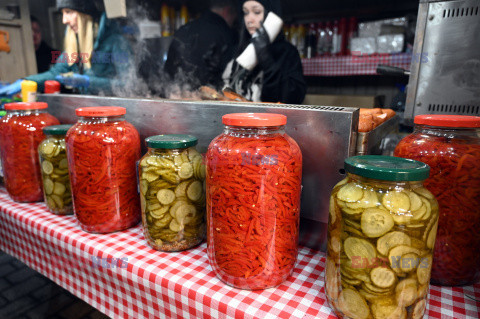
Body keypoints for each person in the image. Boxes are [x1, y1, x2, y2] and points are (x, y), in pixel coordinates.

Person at [0, 0, 131, 96]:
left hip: (114, 112)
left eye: (68, 12)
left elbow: (129, 85)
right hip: (87, 112)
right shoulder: (75, 45)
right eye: (63, 13)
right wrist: (25, 81)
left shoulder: (116, 42)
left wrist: (89, 82)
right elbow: (54, 74)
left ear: (86, 15)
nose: (64, 20)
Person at [223, 0, 306, 104]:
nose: (249, 20)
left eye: (257, 12)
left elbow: (293, 99)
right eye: (246, 13)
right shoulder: (238, 50)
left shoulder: (287, 53)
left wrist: (268, 63)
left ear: (271, 15)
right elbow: (224, 92)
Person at [164, 0, 238, 92]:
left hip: (175, 97)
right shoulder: (227, 35)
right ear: (227, 11)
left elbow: (167, 72)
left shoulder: (184, 30)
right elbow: (228, 78)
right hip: (210, 101)